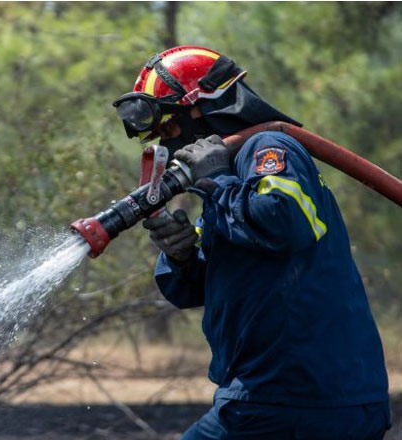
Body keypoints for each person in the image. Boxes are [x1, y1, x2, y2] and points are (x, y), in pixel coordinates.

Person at [114, 46, 391, 439]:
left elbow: (286, 221)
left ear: (204, 110)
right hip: (303, 395)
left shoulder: (269, 149)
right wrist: (181, 256)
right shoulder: (231, 182)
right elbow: (194, 289)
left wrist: (216, 179)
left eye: (171, 129)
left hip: (289, 398)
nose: (171, 145)